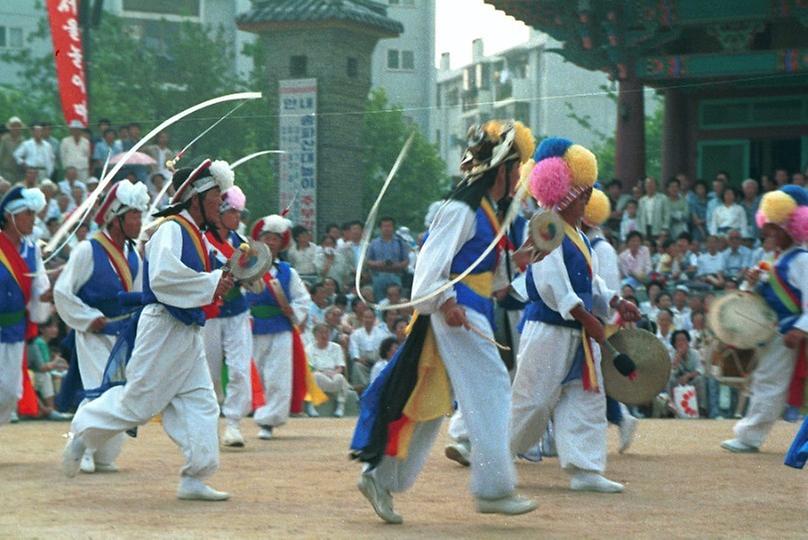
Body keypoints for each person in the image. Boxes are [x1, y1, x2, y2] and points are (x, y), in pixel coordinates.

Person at [351, 121, 538, 522]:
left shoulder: (488, 212)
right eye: (516, 167)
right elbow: (428, 271)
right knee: (491, 389)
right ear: (500, 169)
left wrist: (523, 258)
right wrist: (447, 300)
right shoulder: (461, 209)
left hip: (468, 311)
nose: (520, 176)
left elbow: (493, 279)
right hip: (458, 314)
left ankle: (380, 477)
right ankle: (494, 488)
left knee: (429, 400)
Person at [62, 159, 236, 501]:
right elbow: (162, 278)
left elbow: (222, 265)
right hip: (163, 328)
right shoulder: (171, 228)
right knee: (138, 404)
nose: (221, 200)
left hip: (186, 331)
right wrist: (213, 282)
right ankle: (83, 432)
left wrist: (239, 272)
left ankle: (195, 477)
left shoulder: (199, 236)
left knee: (202, 401)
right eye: (216, 194)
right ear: (196, 198)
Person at [510, 137, 640, 494]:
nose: (587, 200)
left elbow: (591, 279)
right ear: (567, 195)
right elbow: (552, 280)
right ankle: (497, 455)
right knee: (533, 399)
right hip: (550, 328)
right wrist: (586, 317)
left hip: (578, 329)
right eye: (583, 195)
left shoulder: (578, 234)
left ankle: (585, 468)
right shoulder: (544, 227)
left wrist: (614, 301)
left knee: (586, 397)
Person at [54, 179, 148, 471]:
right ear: (116, 218)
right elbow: (62, 291)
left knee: (120, 391)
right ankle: (80, 446)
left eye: (139, 215)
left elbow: (139, 295)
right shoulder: (87, 249)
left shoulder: (134, 255)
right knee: (99, 390)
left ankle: (104, 454)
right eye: (133, 215)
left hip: (123, 334)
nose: (138, 221)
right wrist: (88, 318)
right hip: (94, 332)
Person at [722, 185, 808, 453]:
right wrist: (752, 284)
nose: (768, 232)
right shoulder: (773, 260)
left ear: (792, 226)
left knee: (769, 383)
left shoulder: (802, 261)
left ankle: (749, 436)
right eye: (768, 226)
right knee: (766, 381)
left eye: (775, 227)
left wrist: (800, 329)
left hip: (788, 335)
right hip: (776, 333)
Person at [246, 213, 324, 441]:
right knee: (254, 374)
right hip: (251, 326)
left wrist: (292, 312)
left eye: (275, 239)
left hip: (280, 328)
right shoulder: (246, 266)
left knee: (277, 376)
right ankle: (247, 413)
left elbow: (302, 300)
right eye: (266, 237)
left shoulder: (288, 272)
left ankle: (268, 421)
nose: (270, 242)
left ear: (281, 244)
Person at [582, 186, 638, 453]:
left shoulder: (601, 248)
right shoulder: (586, 242)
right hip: (590, 318)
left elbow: (607, 288)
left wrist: (600, 320)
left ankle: (622, 418)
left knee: (597, 378)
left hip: (600, 320)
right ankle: (621, 419)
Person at [202, 186, 253, 448]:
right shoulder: (201, 239)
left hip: (237, 311)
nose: (238, 217)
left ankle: (233, 423)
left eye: (239, 213)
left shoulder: (242, 243)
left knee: (239, 369)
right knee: (208, 372)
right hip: (210, 313)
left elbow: (253, 280)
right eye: (234, 212)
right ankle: (209, 423)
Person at [0, 186, 51, 426]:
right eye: (28, 214)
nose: (33, 219)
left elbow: (40, 290)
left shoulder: (33, 251)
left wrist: (53, 290)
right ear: (11, 216)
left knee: (10, 392)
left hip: (15, 330)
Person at [306, 323, 350, 417]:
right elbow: (310, 367)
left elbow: (340, 366)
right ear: (315, 335)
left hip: (333, 374)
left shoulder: (336, 347)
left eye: (326, 332)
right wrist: (323, 373)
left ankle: (340, 406)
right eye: (321, 333)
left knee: (340, 378)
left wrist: (334, 373)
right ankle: (311, 406)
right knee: (314, 376)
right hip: (319, 374)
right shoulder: (309, 348)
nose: (324, 335)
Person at [366, 217, 409, 301]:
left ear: (393, 228)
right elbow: (368, 261)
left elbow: (406, 261)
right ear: (380, 228)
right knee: (379, 300)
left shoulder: (400, 242)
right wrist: (378, 264)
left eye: (389, 226)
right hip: (378, 276)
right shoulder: (373, 243)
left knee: (395, 300)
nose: (387, 228)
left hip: (395, 276)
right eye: (384, 226)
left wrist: (396, 265)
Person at [347, 309, 387, 392]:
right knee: (357, 365)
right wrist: (358, 359)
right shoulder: (356, 333)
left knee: (381, 366)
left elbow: (383, 350)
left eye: (370, 317)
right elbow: (354, 349)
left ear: (374, 319)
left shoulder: (382, 333)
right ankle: (363, 389)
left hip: (377, 361)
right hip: (362, 362)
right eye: (366, 317)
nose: (368, 320)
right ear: (362, 319)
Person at [0, 116, 25, 182]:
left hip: (19, 174)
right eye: (13, 126)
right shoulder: (5, 139)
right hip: (6, 172)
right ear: (10, 128)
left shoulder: (23, 141)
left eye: (18, 126)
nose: (16, 128)